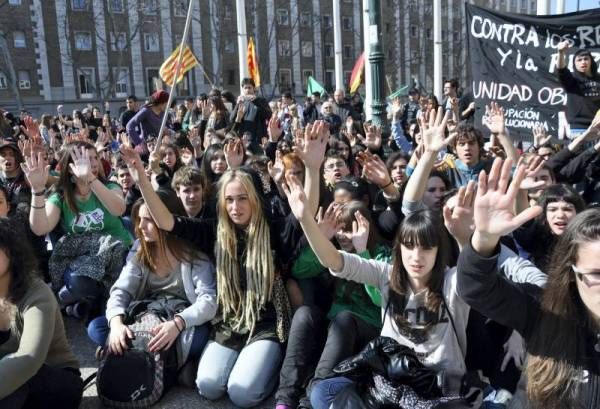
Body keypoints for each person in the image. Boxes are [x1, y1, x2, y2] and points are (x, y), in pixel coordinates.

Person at [119, 123, 327, 407]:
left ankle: (275, 367)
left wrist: (314, 168)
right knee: (209, 386)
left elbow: (307, 212)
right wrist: (143, 180)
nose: (235, 207)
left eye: (242, 199)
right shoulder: (212, 231)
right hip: (228, 324)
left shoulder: (275, 231)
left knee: (242, 394)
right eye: (229, 200)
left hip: (265, 324)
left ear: (254, 199)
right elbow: (166, 222)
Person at [456, 157, 600, 409]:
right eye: (596, 274)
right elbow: (475, 287)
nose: (560, 214)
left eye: (568, 208)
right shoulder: (547, 311)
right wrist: (485, 238)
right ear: (572, 271)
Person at [87, 192, 217, 374]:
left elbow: (208, 300)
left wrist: (178, 324)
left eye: (148, 220)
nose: (141, 226)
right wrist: (117, 325)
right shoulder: (141, 249)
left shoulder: (192, 253)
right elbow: (121, 290)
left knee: (200, 336)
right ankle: (171, 365)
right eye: (139, 219)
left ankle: (134, 356)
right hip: (146, 317)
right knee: (97, 327)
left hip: (179, 320)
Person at [0, 218, 83, 408]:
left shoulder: (36, 293)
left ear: (11, 252)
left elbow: (29, 359)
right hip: (9, 379)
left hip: (54, 381)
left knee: (18, 383)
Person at [557, 40, 600, 137]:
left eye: (586, 59)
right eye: (579, 60)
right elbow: (561, 70)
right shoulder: (571, 79)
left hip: (598, 127)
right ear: (574, 64)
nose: (583, 62)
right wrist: (560, 52)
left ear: (591, 61)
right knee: (579, 153)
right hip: (578, 128)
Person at [229, 78, 271, 147]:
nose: (247, 90)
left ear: (253, 88)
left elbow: (268, 115)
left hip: (258, 139)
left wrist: (256, 102)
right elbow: (232, 119)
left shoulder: (261, 100)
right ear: (242, 89)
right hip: (243, 138)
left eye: (249, 87)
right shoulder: (240, 102)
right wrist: (237, 105)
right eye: (245, 88)